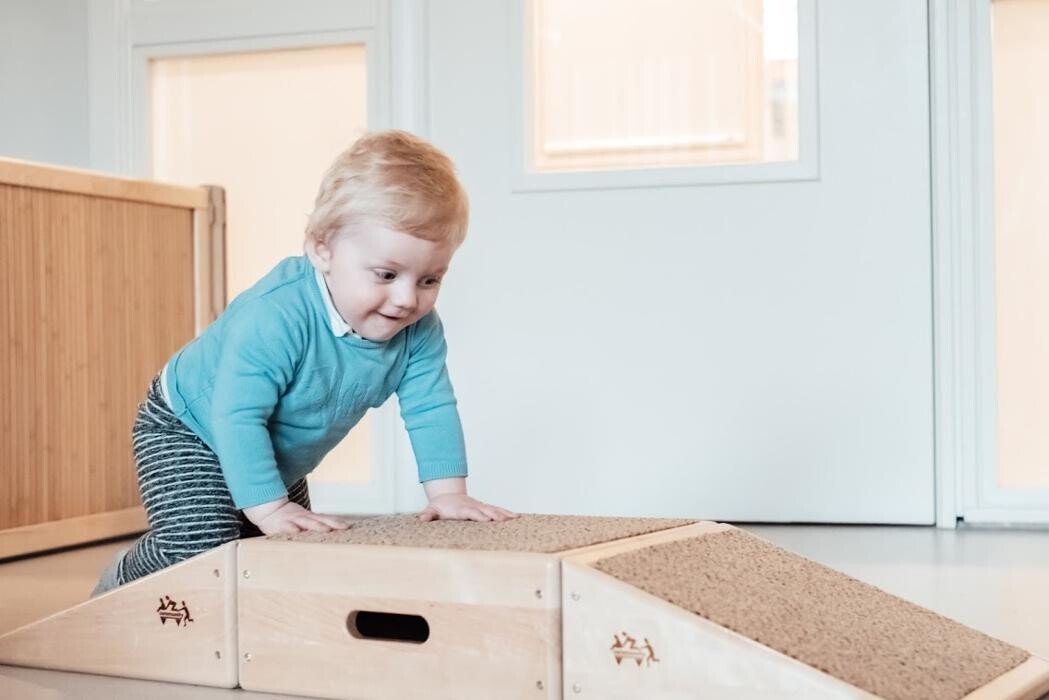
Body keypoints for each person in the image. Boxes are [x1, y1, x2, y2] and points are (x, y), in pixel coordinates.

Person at [92, 130, 517, 597]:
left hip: (275, 448)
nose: (406, 299)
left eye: (430, 279)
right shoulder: (275, 316)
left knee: (283, 552)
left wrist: (447, 494)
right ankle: (124, 577)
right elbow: (236, 416)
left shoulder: (418, 331)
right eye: (387, 274)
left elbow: (431, 408)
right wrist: (270, 507)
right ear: (322, 250)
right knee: (203, 547)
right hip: (192, 428)